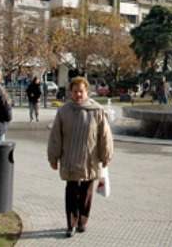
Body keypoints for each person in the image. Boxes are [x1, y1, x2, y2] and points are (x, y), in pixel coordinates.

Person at [48, 76, 113, 238]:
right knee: (71, 192)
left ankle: (83, 220)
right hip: (69, 159)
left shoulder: (97, 110)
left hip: (90, 160)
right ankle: (71, 224)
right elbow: (56, 136)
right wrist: (53, 157)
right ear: (70, 92)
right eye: (75, 91)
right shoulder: (63, 111)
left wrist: (106, 156)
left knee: (86, 193)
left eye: (81, 92)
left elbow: (105, 136)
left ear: (87, 92)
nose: (78, 95)